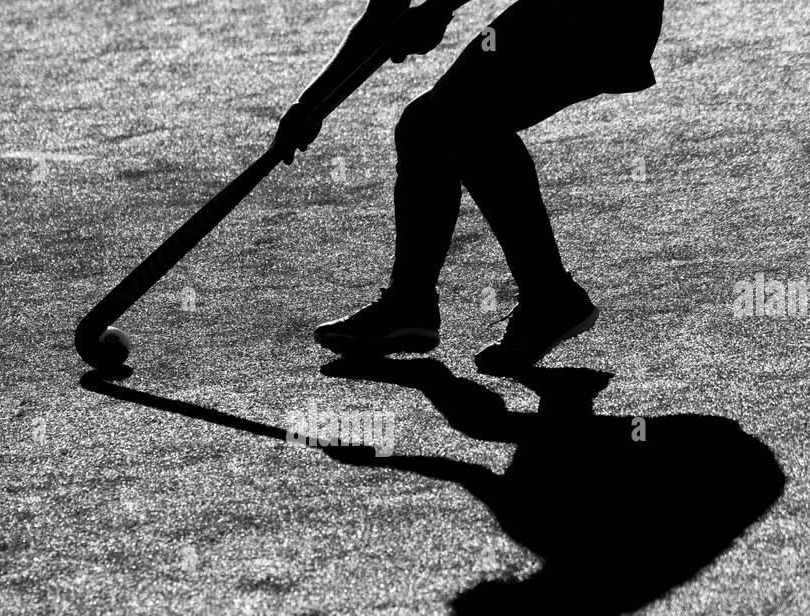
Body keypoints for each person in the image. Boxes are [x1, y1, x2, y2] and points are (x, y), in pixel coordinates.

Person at [273, 0, 665, 374]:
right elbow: (383, 15)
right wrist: (311, 105)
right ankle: (417, 304)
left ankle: (543, 298)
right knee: (431, 125)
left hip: (604, 8)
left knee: (453, 117)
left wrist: (439, 6)